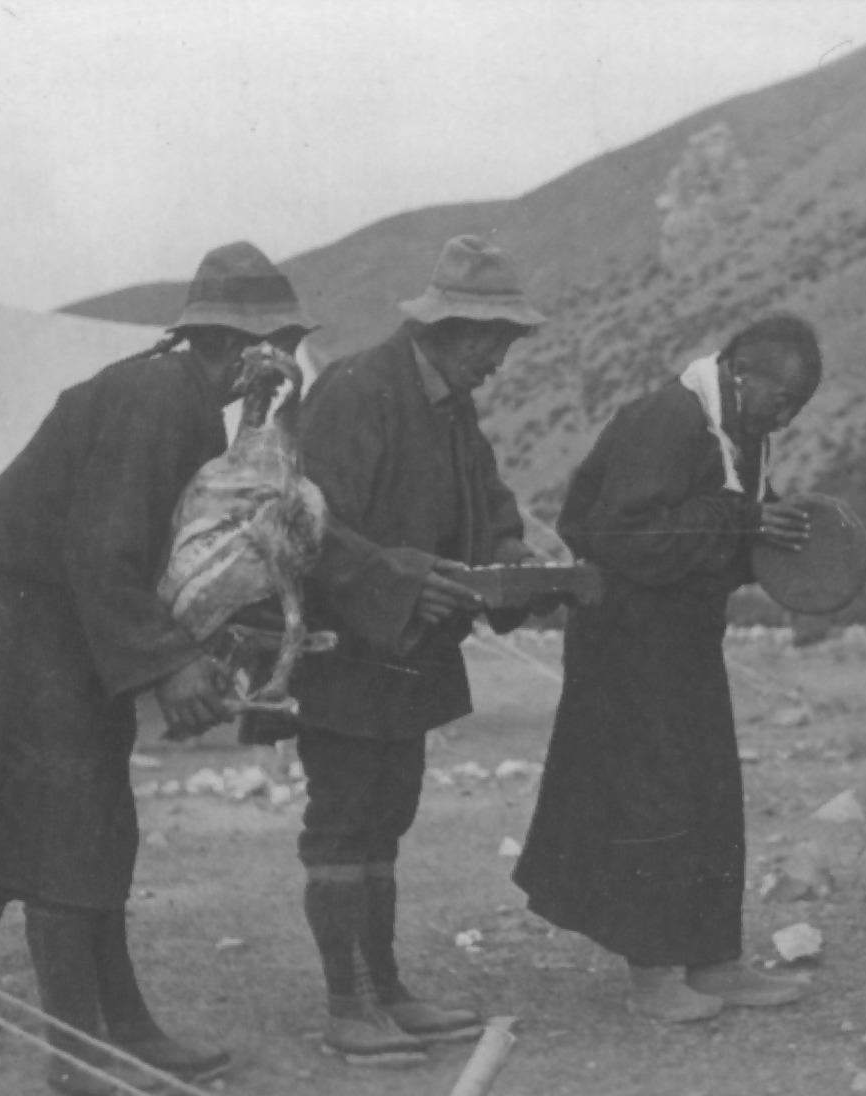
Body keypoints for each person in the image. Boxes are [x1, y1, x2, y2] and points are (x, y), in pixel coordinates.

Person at [0, 242, 315, 1093]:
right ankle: (78, 1055)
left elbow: (147, 551)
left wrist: (198, 639)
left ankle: (122, 1025)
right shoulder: (156, 398)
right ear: (236, 343)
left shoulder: (182, 399)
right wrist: (167, 666)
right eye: (272, 343)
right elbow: (102, 550)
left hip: (64, 625)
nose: (278, 365)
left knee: (96, 828)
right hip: (32, 626)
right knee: (62, 834)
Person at [276, 234, 553, 1065]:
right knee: (343, 823)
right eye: (495, 342)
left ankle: (385, 987)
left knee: (385, 821)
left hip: (407, 652)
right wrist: (403, 579)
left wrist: (519, 565)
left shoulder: (450, 408)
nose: (500, 361)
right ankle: (345, 1003)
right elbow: (301, 523)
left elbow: (491, 507)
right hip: (345, 650)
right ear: (455, 328)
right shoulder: (358, 391)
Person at [513, 314, 822, 1024]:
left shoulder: (739, 434)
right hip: (624, 643)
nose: (786, 418)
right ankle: (652, 974)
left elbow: (727, 529)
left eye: (796, 409)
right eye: (782, 402)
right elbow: (624, 536)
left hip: (682, 640)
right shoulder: (668, 420)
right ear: (742, 377)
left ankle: (714, 961)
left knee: (709, 792)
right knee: (647, 798)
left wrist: (774, 539)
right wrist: (741, 524)